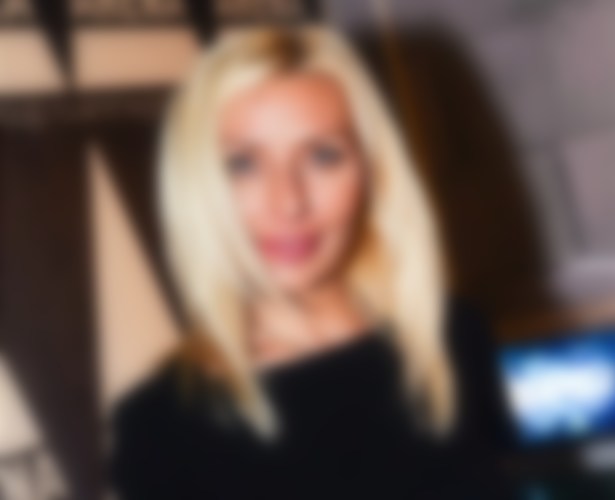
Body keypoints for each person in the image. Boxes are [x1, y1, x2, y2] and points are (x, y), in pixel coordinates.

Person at [108, 25, 516, 500]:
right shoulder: (160, 429)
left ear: (373, 171)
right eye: (243, 164)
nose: (289, 202)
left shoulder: (451, 338)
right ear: (197, 185)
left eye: (323, 156)